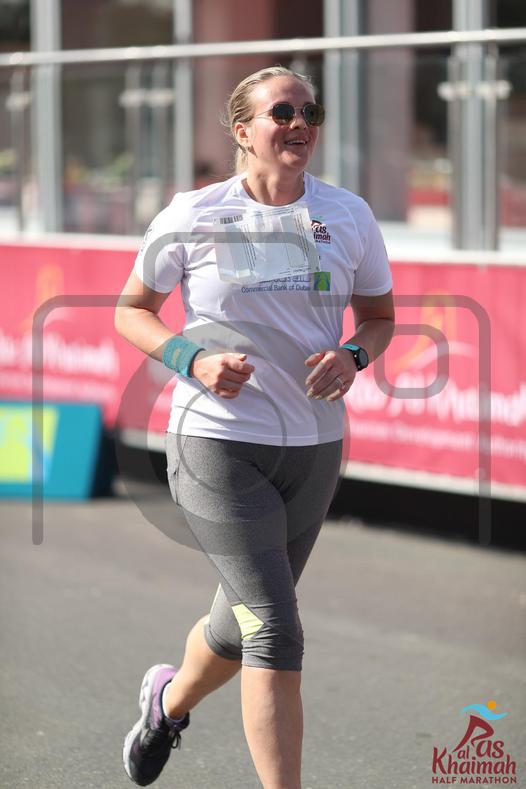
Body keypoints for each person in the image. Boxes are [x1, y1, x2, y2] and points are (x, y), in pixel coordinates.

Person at [115, 65, 395, 789]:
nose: (300, 124)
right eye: (282, 113)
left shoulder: (348, 215)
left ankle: (166, 703)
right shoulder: (193, 212)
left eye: (310, 112)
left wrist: (354, 355)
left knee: (237, 626)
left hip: (312, 449)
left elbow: (379, 316)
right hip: (215, 444)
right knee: (273, 624)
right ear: (243, 131)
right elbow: (132, 310)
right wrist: (192, 359)